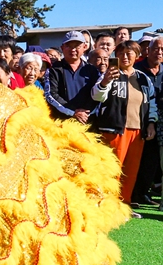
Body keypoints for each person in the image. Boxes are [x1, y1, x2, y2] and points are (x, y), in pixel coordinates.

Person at [91, 40, 156, 210]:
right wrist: (105, 81)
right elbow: (96, 96)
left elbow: (152, 104)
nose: (125, 57)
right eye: (121, 53)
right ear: (116, 55)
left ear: (137, 55)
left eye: (129, 53)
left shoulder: (143, 78)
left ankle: (124, 205)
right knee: (112, 170)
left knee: (131, 171)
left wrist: (151, 123)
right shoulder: (110, 74)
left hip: (137, 131)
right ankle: (107, 206)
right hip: (113, 130)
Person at [132, 36, 163, 205]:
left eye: (162, 50)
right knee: (140, 160)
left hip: (160, 123)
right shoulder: (137, 70)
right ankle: (133, 193)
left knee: (154, 162)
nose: (159, 52)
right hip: (140, 121)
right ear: (148, 51)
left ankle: (143, 193)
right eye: (156, 48)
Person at [46, 30, 100, 123]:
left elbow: (97, 95)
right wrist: (72, 112)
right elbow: (51, 95)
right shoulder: (54, 69)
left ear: (84, 47)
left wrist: (85, 113)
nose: (73, 50)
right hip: (61, 122)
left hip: (87, 121)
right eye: (68, 46)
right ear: (62, 48)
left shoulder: (92, 70)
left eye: (77, 46)